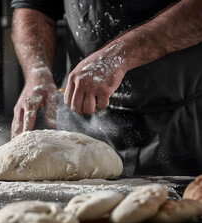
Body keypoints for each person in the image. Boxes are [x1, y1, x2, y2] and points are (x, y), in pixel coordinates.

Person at [10, 0, 202, 176]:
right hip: (80, 119)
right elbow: (34, 7)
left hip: (182, 124)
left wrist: (119, 55)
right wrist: (37, 72)